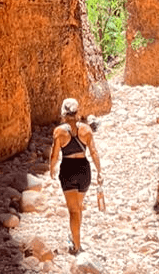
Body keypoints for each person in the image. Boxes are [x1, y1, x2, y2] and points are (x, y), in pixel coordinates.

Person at [48, 97, 102, 254]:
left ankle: (76, 246)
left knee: (73, 210)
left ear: (63, 114)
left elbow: (54, 154)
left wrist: (51, 168)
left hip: (68, 170)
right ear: (78, 113)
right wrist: (99, 171)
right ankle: (75, 238)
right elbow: (93, 152)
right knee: (78, 207)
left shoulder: (59, 132)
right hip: (84, 170)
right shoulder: (86, 129)